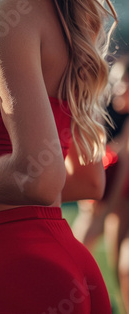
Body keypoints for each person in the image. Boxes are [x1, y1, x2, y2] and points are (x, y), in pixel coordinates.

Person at [0, 0, 117, 312]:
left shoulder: (8, 12)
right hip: (59, 260)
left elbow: (38, 179)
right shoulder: (65, 15)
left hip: (14, 269)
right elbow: (89, 182)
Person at [72, 56, 129, 312]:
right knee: (120, 274)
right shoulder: (121, 122)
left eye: (121, 81)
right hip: (119, 207)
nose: (115, 87)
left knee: (126, 268)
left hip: (119, 206)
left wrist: (103, 210)